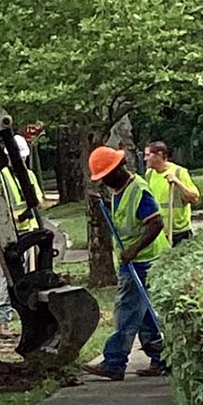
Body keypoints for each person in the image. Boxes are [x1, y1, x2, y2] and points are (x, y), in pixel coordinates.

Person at [82, 146, 169, 380]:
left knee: (126, 312)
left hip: (143, 260)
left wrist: (134, 249)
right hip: (135, 259)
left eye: (106, 176)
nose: (105, 181)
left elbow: (156, 223)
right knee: (146, 315)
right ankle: (161, 358)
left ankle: (114, 362)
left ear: (118, 169)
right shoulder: (120, 191)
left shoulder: (138, 191)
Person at [0, 135, 42, 338]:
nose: (21, 161)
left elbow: (38, 198)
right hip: (13, 233)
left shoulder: (29, 175)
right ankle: (4, 320)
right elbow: (1, 207)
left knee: (33, 273)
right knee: (11, 275)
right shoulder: (2, 177)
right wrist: (20, 216)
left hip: (31, 230)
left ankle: (31, 318)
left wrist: (31, 210)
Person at [143, 141, 200, 246]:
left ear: (159, 155)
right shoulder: (149, 174)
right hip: (159, 234)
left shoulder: (179, 172)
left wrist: (177, 182)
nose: (145, 159)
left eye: (148, 155)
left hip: (179, 233)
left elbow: (194, 199)